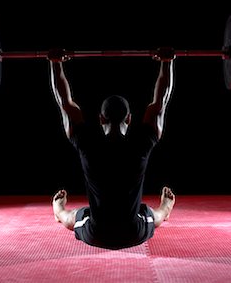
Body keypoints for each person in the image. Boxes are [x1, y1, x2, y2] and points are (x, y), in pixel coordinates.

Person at [49, 48, 176, 249]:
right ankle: (165, 209)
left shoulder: (88, 145)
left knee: (75, 216)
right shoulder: (140, 145)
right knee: (152, 214)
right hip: (133, 233)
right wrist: (167, 62)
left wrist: (55, 64)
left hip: (97, 234)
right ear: (129, 118)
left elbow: (65, 104)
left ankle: (59, 211)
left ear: (100, 118)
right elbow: (160, 104)